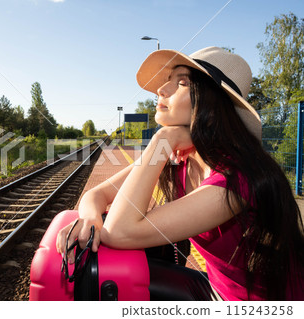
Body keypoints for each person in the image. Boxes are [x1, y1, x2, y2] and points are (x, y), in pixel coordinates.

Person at [56, 47, 304, 301]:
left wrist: (164, 137)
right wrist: (90, 218)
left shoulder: (236, 180)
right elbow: (96, 194)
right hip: (215, 289)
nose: (161, 90)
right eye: (167, 81)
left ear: (211, 102)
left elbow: (120, 231)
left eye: (182, 82)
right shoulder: (180, 160)